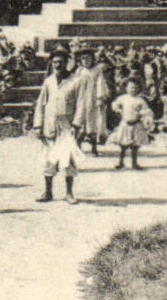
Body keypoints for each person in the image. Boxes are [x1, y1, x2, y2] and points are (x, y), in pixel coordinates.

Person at [31, 48, 86, 203]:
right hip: (49, 125)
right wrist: (37, 125)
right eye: (55, 62)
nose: (57, 65)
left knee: (67, 158)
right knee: (49, 158)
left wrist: (76, 125)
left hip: (67, 125)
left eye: (60, 62)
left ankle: (69, 193)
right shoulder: (48, 81)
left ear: (67, 63)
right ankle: (48, 192)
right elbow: (41, 104)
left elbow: (81, 104)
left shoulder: (76, 81)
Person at [70, 44, 111, 158]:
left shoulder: (97, 71)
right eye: (83, 59)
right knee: (79, 123)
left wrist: (100, 98)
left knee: (92, 123)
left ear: (93, 59)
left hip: (92, 100)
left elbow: (100, 84)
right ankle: (77, 147)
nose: (85, 61)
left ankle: (94, 148)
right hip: (80, 100)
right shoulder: (79, 71)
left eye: (88, 58)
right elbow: (74, 84)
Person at [109, 77, 156, 170]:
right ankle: (121, 162)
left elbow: (147, 110)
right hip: (125, 124)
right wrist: (117, 109)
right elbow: (114, 104)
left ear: (138, 89)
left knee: (135, 146)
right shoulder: (123, 98)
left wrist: (141, 114)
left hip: (136, 124)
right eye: (131, 87)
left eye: (135, 88)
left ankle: (134, 163)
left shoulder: (140, 100)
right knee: (123, 145)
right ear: (126, 88)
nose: (133, 90)